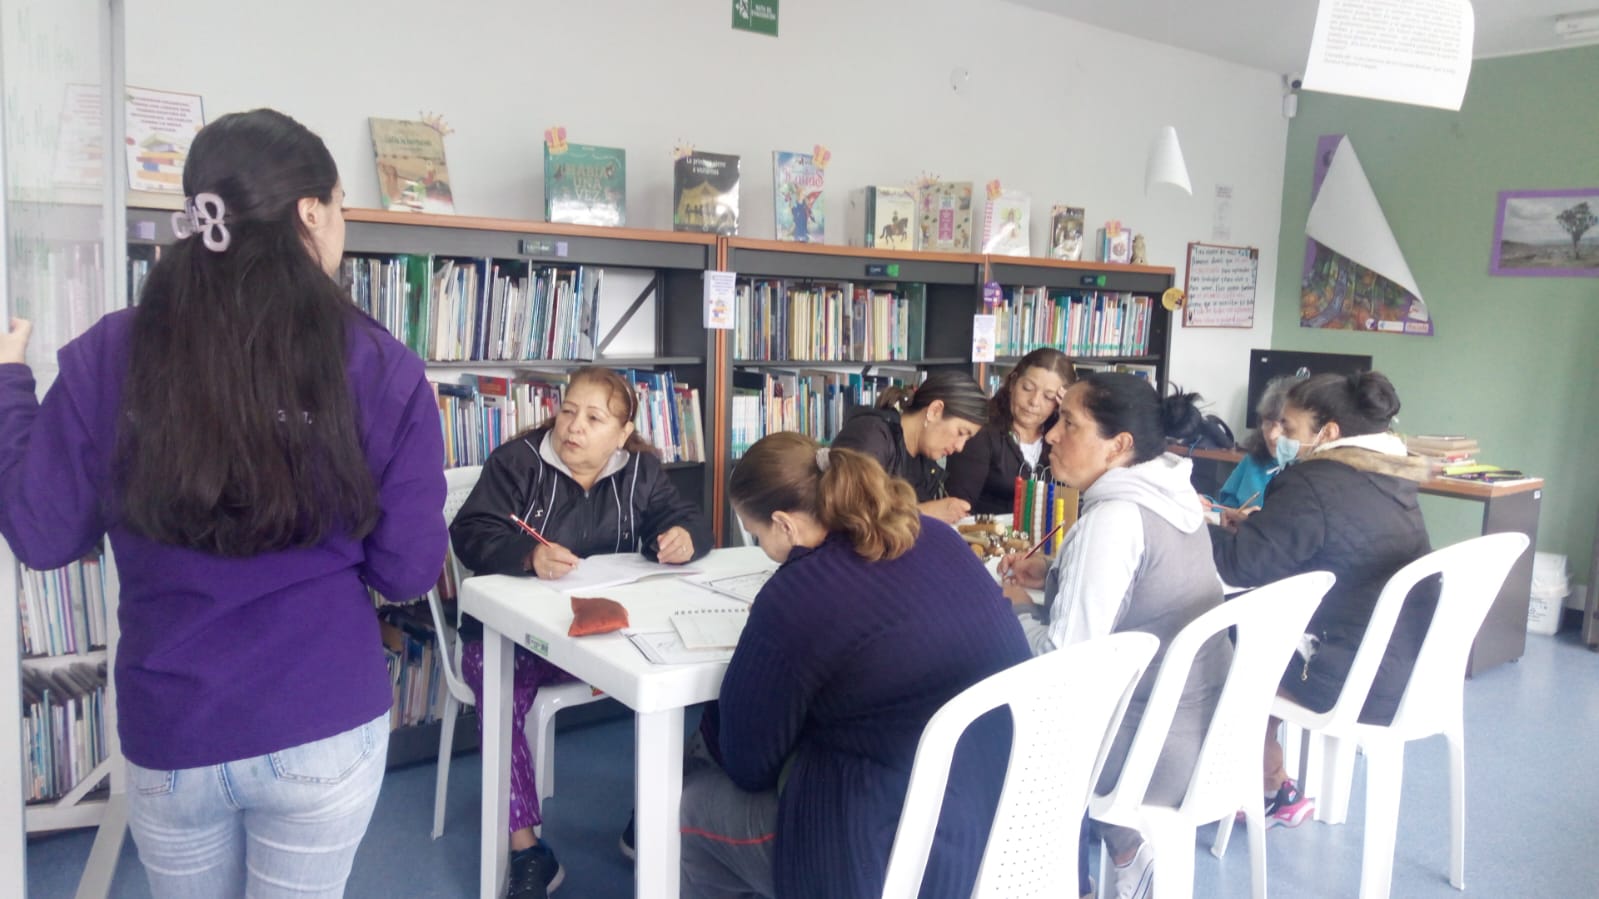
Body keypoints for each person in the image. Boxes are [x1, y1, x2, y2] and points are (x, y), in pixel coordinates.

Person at [0, 109, 448, 897]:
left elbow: (42, 532)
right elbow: (408, 568)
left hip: (173, 723)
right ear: (312, 212)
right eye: (341, 205)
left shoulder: (113, 351)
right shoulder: (382, 364)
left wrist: (8, 387)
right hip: (323, 717)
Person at [680, 432, 1031, 899]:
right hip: (1014, 821)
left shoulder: (796, 594)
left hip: (887, 851)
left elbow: (750, 765)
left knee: (691, 805)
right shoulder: (937, 537)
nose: (763, 547)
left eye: (758, 534)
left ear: (784, 524)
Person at [450, 366, 712, 899]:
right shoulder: (518, 461)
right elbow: (471, 533)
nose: (573, 427)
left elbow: (684, 517)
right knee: (492, 682)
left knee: (712, 671)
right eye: (568, 410)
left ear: (621, 432)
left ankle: (654, 817)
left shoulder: (640, 470)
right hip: (519, 638)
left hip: (605, 638)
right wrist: (528, 554)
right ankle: (527, 850)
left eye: (594, 418)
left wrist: (685, 536)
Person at [998, 374, 1232, 899]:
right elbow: (1145, 596)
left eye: (1070, 424)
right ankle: (1127, 853)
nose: (1052, 435)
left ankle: (1050, 877)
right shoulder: (1175, 495)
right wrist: (1057, 571)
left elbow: (1062, 667)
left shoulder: (1113, 521)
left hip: (1147, 753)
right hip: (1204, 732)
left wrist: (1014, 609)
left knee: (989, 725)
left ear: (1119, 445)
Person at [1210, 371, 1435, 827]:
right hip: (1405, 668)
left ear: (1328, 433)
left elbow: (1238, 566)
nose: (1276, 436)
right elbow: (1330, 540)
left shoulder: (1313, 480)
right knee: (1255, 638)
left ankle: (1251, 785)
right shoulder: (1389, 479)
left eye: (1289, 427)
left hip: (1346, 675)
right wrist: (1263, 527)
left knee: (1219, 646)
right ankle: (1271, 781)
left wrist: (1196, 524)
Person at [830, 369, 989, 523]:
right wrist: (927, 512)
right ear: (935, 410)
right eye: (961, 433)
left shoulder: (925, 461)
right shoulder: (871, 435)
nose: (960, 447)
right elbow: (850, 514)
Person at [945, 348, 1075, 514]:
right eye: (1027, 388)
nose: (1034, 401)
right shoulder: (981, 432)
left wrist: (1073, 414)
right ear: (1013, 383)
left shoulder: (1062, 438)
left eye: (1048, 397)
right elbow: (957, 507)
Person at [1212, 374, 1303, 514]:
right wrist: (1206, 505)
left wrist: (1255, 520)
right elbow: (1227, 505)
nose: (1272, 435)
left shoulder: (1310, 474)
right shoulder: (1252, 460)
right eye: (1267, 423)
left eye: (1283, 426)